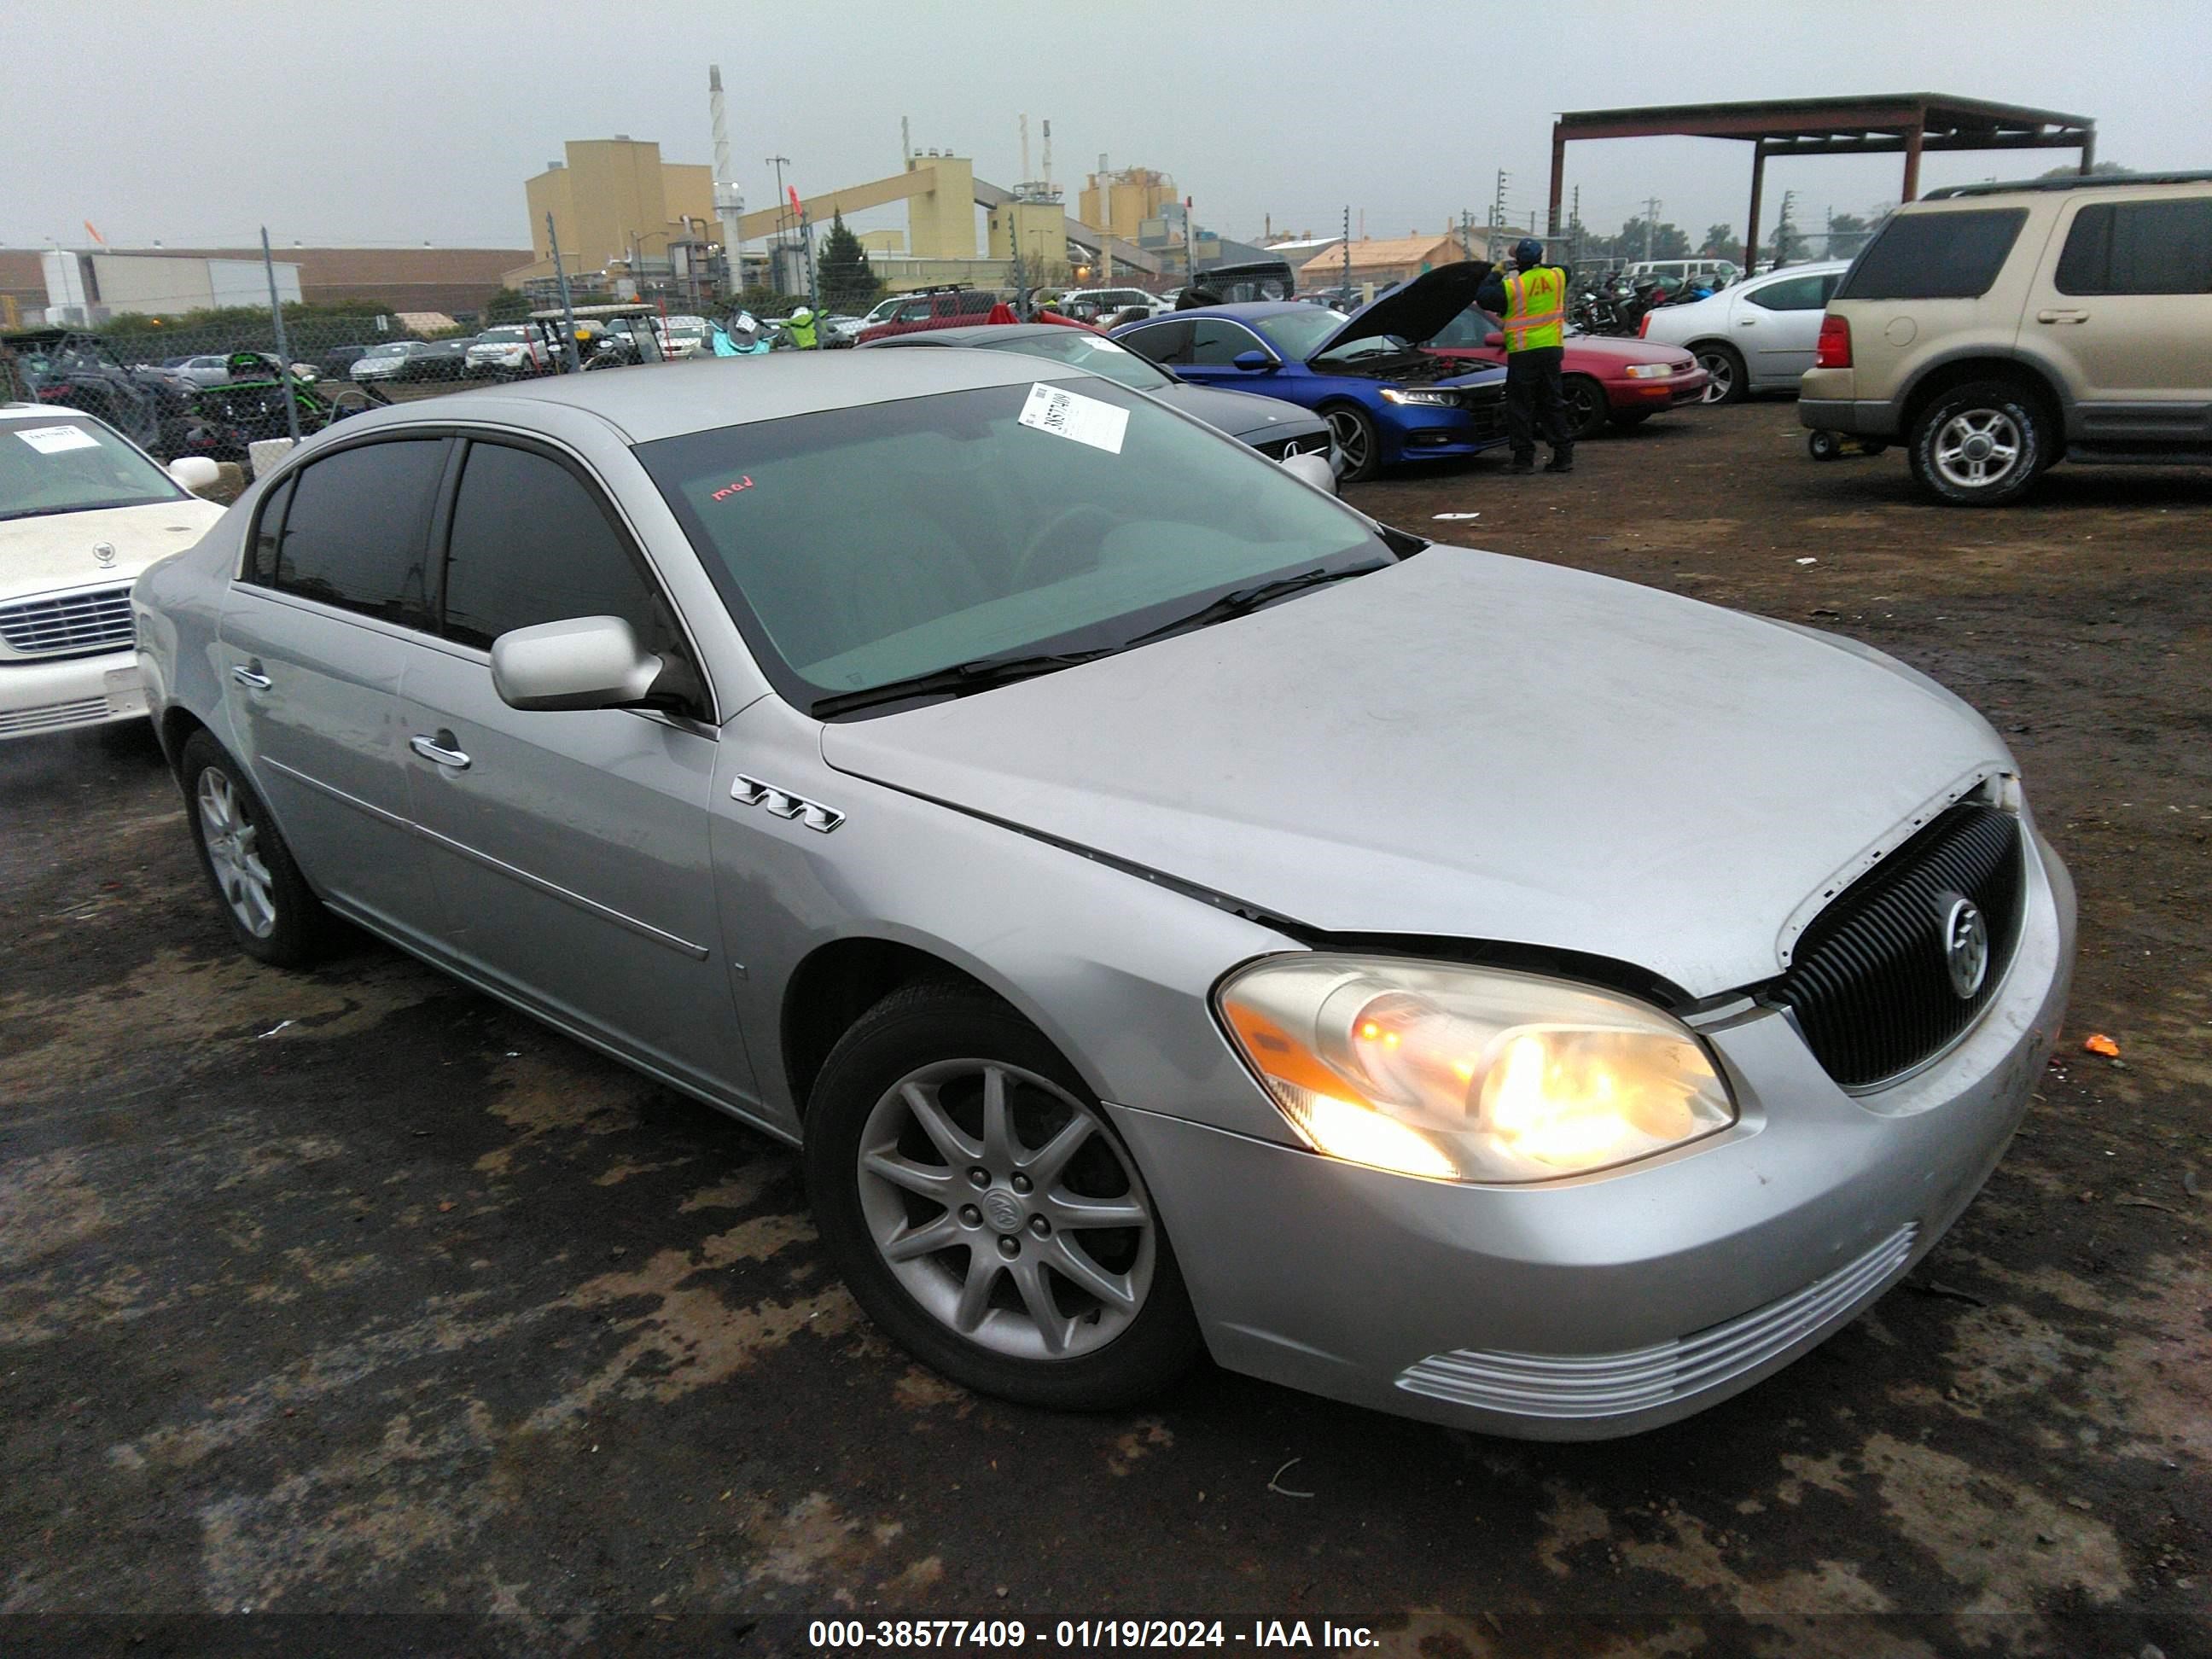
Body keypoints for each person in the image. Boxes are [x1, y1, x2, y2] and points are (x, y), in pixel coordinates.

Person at [1477, 237, 1573, 474]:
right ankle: (1563, 456)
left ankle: (1524, 459)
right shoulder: (1557, 277)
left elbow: (1484, 297)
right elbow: (1565, 268)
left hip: (1524, 353)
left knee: (1520, 406)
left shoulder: (1513, 287)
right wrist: (1537, 266)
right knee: (1552, 403)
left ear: (1518, 261)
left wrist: (1497, 272)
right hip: (1551, 350)